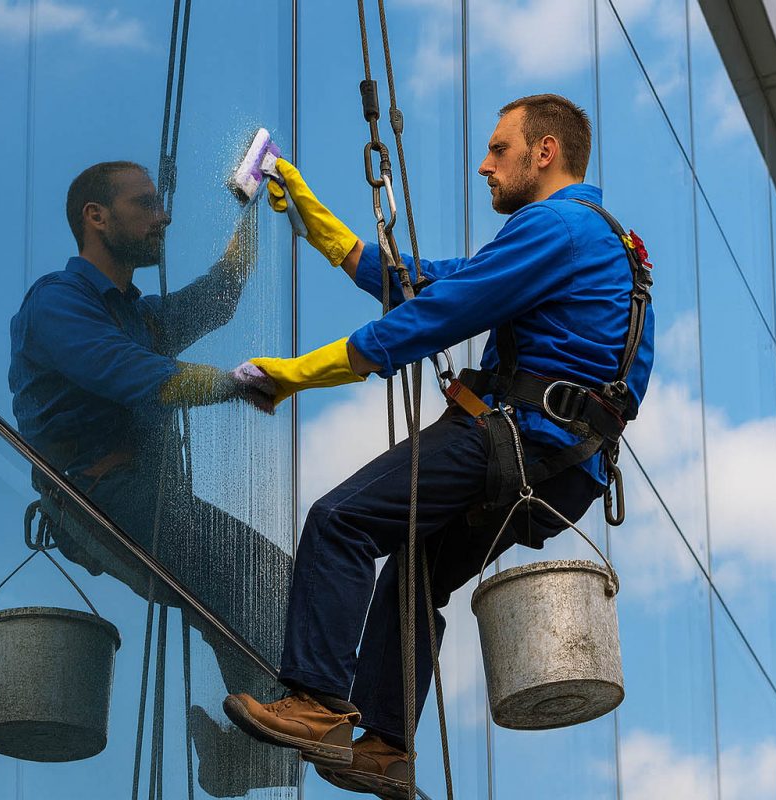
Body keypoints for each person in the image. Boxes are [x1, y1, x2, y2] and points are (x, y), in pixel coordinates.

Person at [223, 94, 655, 799]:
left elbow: (435, 316)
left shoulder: (555, 225)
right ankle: (387, 746)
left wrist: (300, 375)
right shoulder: (596, 240)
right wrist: (317, 222)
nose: (485, 166)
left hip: (514, 438)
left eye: (500, 150)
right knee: (416, 572)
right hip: (564, 471)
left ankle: (316, 704)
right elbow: (429, 282)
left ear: (545, 153)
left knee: (343, 519)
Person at [8, 160, 296, 797]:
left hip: (144, 498)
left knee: (259, 581)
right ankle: (264, 741)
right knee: (252, 576)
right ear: (97, 217)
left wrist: (249, 209)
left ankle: (255, 746)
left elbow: (218, 296)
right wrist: (241, 383)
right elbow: (139, 376)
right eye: (145, 204)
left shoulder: (140, 315)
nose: (162, 215)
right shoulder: (57, 303)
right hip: (99, 500)